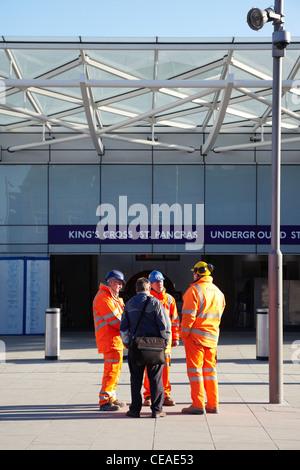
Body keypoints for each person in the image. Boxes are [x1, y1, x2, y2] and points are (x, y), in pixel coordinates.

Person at [120, 277, 171, 418]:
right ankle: (157, 410)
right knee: (156, 379)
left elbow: (123, 328)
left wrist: (128, 344)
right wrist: (164, 343)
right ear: (149, 289)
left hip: (136, 347)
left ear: (136, 289)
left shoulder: (129, 304)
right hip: (155, 348)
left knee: (136, 379)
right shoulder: (156, 303)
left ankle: (135, 410)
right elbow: (165, 326)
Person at [180, 261, 225, 415]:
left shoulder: (193, 291)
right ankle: (212, 404)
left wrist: (183, 335)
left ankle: (198, 404)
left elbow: (188, 318)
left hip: (195, 339)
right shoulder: (219, 292)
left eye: (194, 272)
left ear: (198, 273)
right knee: (210, 372)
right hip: (212, 339)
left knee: (195, 372)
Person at [143, 270, 179, 407]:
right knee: (149, 368)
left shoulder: (169, 299)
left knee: (165, 368)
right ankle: (148, 395)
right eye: (157, 282)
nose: (160, 283)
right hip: (151, 340)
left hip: (166, 341)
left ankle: (165, 394)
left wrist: (175, 337)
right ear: (151, 284)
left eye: (161, 281)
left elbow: (175, 319)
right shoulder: (146, 298)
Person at [93, 269, 126, 411]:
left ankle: (111, 397)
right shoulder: (103, 297)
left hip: (115, 340)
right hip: (109, 340)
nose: (120, 286)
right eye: (118, 283)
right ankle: (104, 400)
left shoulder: (112, 297)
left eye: (121, 284)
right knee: (111, 370)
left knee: (115, 370)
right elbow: (115, 320)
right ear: (111, 281)